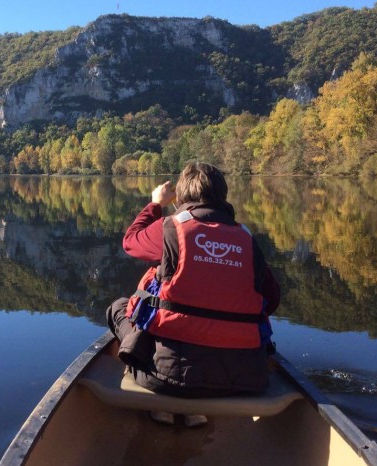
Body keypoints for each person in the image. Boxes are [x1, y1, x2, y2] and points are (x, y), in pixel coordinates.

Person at [106, 162, 281, 424]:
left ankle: (167, 406)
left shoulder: (171, 229)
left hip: (165, 376)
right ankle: (196, 410)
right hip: (245, 377)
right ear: (222, 196)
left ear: (182, 196)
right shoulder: (247, 240)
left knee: (118, 308)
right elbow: (271, 301)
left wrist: (155, 204)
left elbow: (131, 242)